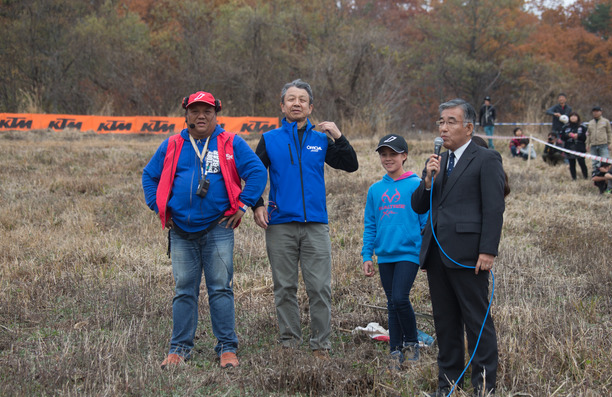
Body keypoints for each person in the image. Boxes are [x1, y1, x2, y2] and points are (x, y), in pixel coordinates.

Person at [142, 91, 267, 369]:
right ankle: (179, 349)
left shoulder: (231, 142)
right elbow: (149, 176)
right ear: (186, 114)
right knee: (184, 288)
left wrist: (244, 204)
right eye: (195, 110)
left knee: (220, 288)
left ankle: (227, 348)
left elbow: (258, 172)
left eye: (207, 111)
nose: (201, 116)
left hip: (218, 227)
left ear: (216, 114)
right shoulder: (172, 144)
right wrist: (159, 206)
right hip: (181, 231)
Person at [253, 79, 358, 359]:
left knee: (320, 287)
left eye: (302, 99)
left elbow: (351, 164)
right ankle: (289, 342)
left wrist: (339, 136)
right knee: (285, 287)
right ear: (282, 105)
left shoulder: (321, 139)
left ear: (311, 107)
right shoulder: (270, 139)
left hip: (315, 225)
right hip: (280, 225)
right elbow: (251, 173)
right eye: (291, 99)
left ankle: (320, 345)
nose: (296, 103)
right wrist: (257, 204)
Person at [411, 99, 505, 397]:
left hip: (469, 256)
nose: (443, 127)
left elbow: (494, 209)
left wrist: (488, 251)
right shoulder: (439, 162)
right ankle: (447, 384)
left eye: (451, 121)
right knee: (445, 323)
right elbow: (418, 205)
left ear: (468, 127)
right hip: (437, 256)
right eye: (441, 121)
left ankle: (484, 388)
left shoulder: (486, 159)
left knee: (477, 321)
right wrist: (427, 180)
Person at [362, 134, 427, 370]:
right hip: (385, 254)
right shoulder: (375, 190)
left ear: (405, 156)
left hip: (409, 253)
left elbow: (425, 221)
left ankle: (411, 344)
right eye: (384, 154)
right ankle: (395, 350)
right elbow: (370, 224)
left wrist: (424, 252)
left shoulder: (417, 185)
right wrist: (367, 255)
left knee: (400, 298)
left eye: (393, 154)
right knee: (391, 303)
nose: (388, 159)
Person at [560, 112, 588, 180]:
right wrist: (568, 135)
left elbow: (586, 137)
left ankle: (585, 177)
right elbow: (562, 137)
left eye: (575, 116)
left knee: (582, 163)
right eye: (571, 116)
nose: (573, 117)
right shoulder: (565, 127)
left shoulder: (582, 126)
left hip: (580, 147)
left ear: (578, 117)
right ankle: (574, 178)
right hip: (569, 147)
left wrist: (578, 136)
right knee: (572, 164)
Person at [586, 106, 612, 171]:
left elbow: (609, 133)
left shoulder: (606, 121)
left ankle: (606, 176)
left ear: (601, 112)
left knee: (605, 161)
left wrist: (610, 143)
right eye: (594, 112)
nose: (595, 113)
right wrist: (587, 144)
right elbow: (588, 134)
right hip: (593, 145)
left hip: (603, 144)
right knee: (594, 163)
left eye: (597, 111)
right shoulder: (590, 122)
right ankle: (596, 175)